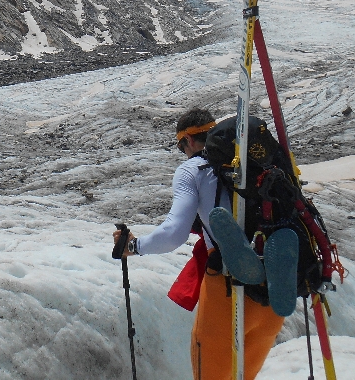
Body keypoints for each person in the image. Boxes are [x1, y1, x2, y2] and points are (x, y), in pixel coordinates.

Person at [113, 107, 284, 380]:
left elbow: (175, 232)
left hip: (228, 287)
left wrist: (133, 246)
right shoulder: (250, 163)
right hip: (276, 291)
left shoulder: (193, 169)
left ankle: (240, 255)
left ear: (188, 141)